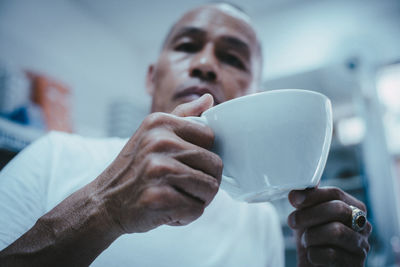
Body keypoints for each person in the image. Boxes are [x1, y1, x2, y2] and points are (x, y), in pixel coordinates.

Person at [0, 3, 371, 267]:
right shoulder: (54, 156)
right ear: (151, 76)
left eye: (233, 58)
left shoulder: (258, 218)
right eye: (187, 46)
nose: (206, 64)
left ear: (253, 93)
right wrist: (105, 207)